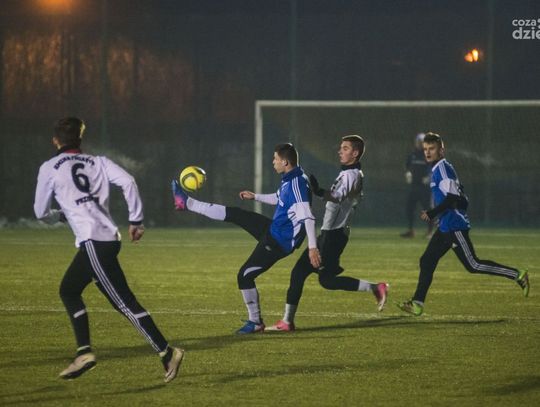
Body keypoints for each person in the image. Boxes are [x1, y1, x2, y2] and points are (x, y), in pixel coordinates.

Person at [34, 117, 184, 382]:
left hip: (93, 242)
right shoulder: (99, 162)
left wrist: (60, 216)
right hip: (107, 239)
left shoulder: (49, 168)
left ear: (55, 140)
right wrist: (136, 220)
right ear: (80, 139)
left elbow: (40, 212)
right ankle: (86, 352)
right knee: (70, 289)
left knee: (124, 302)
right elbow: (129, 182)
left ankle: (165, 352)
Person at [172, 143, 321, 334]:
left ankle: (255, 321)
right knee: (236, 214)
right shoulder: (292, 177)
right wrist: (255, 197)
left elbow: (308, 216)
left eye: (275, 159)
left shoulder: (297, 183)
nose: (273, 162)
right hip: (274, 230)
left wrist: (312, 248)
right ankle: (188, 203)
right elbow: (279, 198)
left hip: (279, 242)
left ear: (285, 162)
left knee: (244, 276)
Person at [397, 132, 530, 316]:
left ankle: (517, 274)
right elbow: (459, 196)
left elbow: (452, 198)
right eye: (425, 149)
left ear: (441, 150)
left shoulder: (443, 168)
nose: (427, 152)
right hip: (444, 227)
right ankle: (417, 304)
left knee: (473, 265)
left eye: (432, 148)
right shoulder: (437, 168)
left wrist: (432, 213)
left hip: (454, 226)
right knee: (426, 260)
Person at [266, 135, 389, 332]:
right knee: (307, 275)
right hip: (331, 234)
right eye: (341, 147)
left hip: (333, 236)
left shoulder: (352, 175)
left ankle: (376, 287)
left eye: (345, 148)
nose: (340, 151)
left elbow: (337, 197)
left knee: (322, 279)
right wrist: (319, 192)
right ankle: (287, 321)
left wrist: (318, 191)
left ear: (355, 153)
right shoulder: (348, 173)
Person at [400, 133, 433, 238]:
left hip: (424, 187)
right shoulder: (413, 155)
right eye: (418, 142)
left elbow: (433, 168)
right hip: (414, 186)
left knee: (427, 209)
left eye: (421, 142)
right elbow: (407, 166)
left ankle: (430, 231)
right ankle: (411, 230)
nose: (419, 144)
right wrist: (407, 173)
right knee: (409, 208)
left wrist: (429, 177)